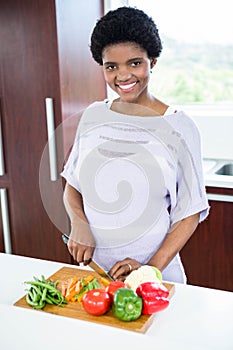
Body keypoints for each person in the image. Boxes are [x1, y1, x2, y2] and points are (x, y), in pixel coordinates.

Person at [61, 6, 209, 283]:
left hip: (156, 276)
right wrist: (78, 222)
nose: (123, 76)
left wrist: (149, 269)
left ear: (152, 61)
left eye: (135, 63)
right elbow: (73, 186)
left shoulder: (179, 127)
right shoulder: (93, 115)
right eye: (111, 66)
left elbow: (189, 213)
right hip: (96, 275)